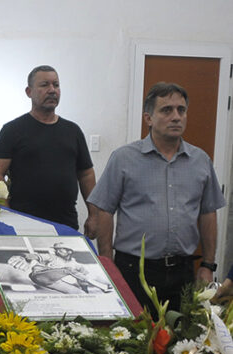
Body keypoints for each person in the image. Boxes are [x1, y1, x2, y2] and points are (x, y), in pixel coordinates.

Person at [88, 82, 225, 314]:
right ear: (148, 118)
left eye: (181, 110)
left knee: (182, 341)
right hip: (133, 270)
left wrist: (208, 265)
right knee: (134, 340)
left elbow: (208, 212)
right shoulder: (123, 159)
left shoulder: (200, 161)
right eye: (166, 110)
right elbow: (104, 210)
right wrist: (107, 264)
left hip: (183, 271)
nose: (176, 117)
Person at [0, 65, 97, 234]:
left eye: (56, 85)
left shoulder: (73, 131)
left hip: (66, 223)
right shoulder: (12, 130)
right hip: (24, 223)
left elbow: (86, 174)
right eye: (44, 85)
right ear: (29, 91)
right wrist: (7, 214)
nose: (52, 90)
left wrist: (94, 215)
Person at [7, 242, 112, 294]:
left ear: (69, 251)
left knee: (79, 294)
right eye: (57, 249)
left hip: (53, 282)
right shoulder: (51, 257)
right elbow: (34, 256)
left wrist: (85, 293)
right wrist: (22, 256)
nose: (58, 251)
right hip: (39, 275)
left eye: (61, 249)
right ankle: (102, 287)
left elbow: (82, 280)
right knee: (68, 270)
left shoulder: (75, 264)